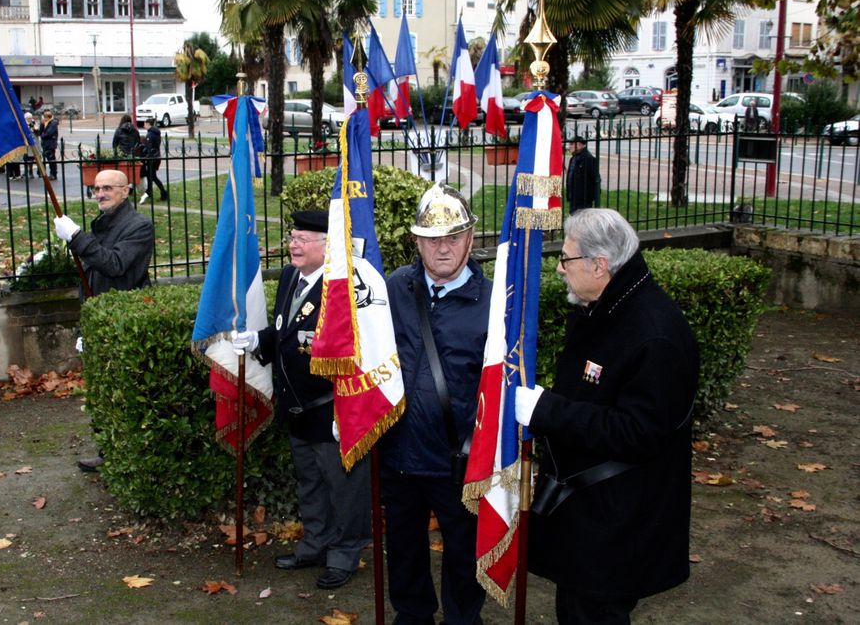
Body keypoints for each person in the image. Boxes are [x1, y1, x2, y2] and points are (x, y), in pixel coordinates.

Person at [514, 208, 698, 625]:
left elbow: (639, 432)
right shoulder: (607, 306)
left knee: (593, 614)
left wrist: (547, 411)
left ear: (599, 266)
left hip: (618, 522)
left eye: (566, 258)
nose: (559, 269)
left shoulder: (654, 332)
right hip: (590, 517)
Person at [231, 210, 371, 590]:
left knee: (343, 487)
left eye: (303, 239)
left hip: (332, 408)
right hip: (297, 407)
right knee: (310, 483)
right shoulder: (292, 277)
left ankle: (344, 554)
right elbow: (287, 332)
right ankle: (315, 544)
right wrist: (260, 341)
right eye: (292, 237)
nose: (293, 244)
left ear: (327, 247)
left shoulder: (341, 288)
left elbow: (359, 351)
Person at [382, 183, 490, 625]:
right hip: (398, 453)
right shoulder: (392, 289)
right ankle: (412, 616)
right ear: (416, 241)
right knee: (404, 549)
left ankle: (464, 619)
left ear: (470, 238)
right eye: (432, 238)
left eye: (452, 237)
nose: (442, 249)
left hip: (459, 460)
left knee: (464, 552)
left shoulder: (494, 302)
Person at [52, 169, 154, 472]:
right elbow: (94, 270)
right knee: (100, 388)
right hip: (99, 313)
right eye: (96, 189)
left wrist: (76, 237)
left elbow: (115, 264)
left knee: (123, 390)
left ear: (126, 191)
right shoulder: (104, 223)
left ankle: (127, 453)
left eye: (108, 188)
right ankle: (107, 448)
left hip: (124, 316)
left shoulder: (139, 226)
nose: (100, 194)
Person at [565, 135, 599, 214]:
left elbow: (595, 178)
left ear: (580, 145)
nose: (569, 147)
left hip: (583, 199)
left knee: (582, 220)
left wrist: (591, 196)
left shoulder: (588, 159)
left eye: (572, 144)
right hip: (574, 197)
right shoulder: (573, 158)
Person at [139, 119, 167, 205]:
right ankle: (150, 192)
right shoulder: (156, 133)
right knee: (150, 176)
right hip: (156, 156)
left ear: (148, 124)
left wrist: (146, 154)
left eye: (144, 124)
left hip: (152, 158)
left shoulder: (150, 134)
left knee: (152, 176)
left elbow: (149, 147)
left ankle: (164, 193)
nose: (144, 125)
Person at [40, 110, 59, 180]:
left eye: (45, 117)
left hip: (50, 144)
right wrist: (42, 124)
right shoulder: (45, 123)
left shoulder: (53, 123)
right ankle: (50, 173)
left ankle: (53, 173)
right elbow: (40, 132)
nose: (44, 119)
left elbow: (49, 133)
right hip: (45, 144)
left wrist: (43, 135)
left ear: (48, 117)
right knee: (48, 159)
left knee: (52, 159)